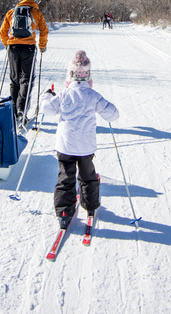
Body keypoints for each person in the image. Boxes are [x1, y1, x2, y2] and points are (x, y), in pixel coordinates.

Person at [39, 50, 119, 229]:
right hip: (85, 147)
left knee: (65, 177)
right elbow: (113, 114)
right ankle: (90, 205)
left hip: (65, 146)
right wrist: (108, 111)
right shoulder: (93, 95)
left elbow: (48, 109)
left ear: (69, 76)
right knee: (87, 176)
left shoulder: (63, 94)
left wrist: (47, 96)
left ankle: (64, 212)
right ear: (88, 77)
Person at [0, 0, 49, 122]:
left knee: (14, 80)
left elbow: (2, 32)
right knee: (26, 79)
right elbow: (44, 31)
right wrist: (42, 46)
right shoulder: (36, 12)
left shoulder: (11, 12)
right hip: (28, 48)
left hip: (13, 49)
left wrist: (7, 45)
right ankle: (22, 110)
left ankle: (12, 111)